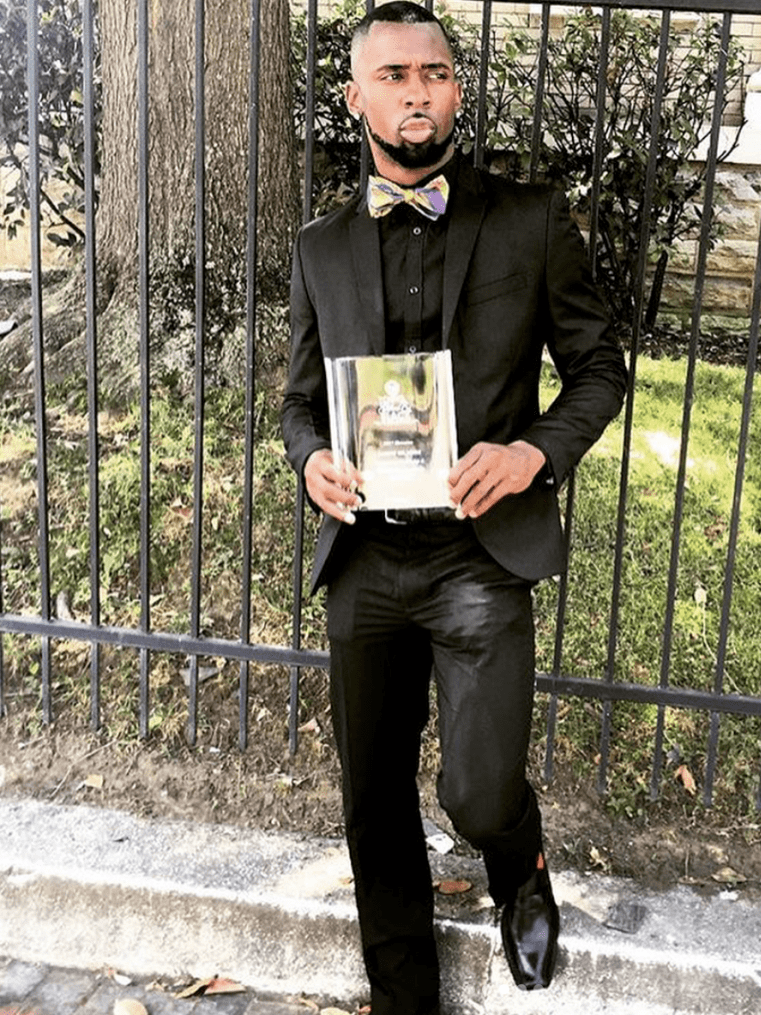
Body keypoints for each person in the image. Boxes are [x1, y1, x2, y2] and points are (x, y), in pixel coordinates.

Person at [280, 4, 627, 1013]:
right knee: (373, 797)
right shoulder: (320, 246)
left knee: (476, 792)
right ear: (357, 97)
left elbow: (599, 369)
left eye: (433, 71)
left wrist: (531, 454)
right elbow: (298, 403)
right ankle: (405, 996)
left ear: (457, 90)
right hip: (367, 554)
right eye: (393, 75)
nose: (416, 90)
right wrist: (310, 461)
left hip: (479, 552)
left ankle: (519, 859)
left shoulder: (529, 220)